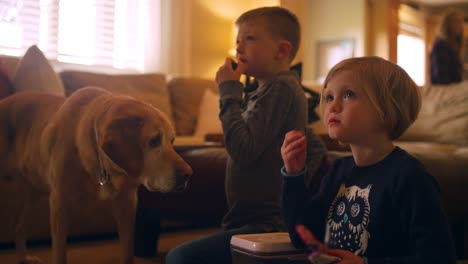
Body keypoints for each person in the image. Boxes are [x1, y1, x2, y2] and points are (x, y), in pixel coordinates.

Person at [166, 6, 326, 264]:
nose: (239, 47)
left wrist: (228, 91)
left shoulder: (281, 88)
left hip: (265, 225)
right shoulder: (268, 91)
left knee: (179, 257)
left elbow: (242, 150)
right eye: (237, 40)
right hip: (248, 221)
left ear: (282, 50)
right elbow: (313, 143)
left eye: (249, 38)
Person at [281, 56, 456, 263]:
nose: (333, 106)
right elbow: (302, 235)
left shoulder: (409, 177)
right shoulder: (338, 171)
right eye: (328, 97)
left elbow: (439, 257)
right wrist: (293, 175)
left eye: (348, 94)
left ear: (386, 107)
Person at [430, 8, 465, 84]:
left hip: (454, 88)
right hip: (444, 88)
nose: (459, 25)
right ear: (446, 24)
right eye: (455, 21)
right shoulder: (441, 45)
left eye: (460, 21)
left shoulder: (457, 45)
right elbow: (440, 75)